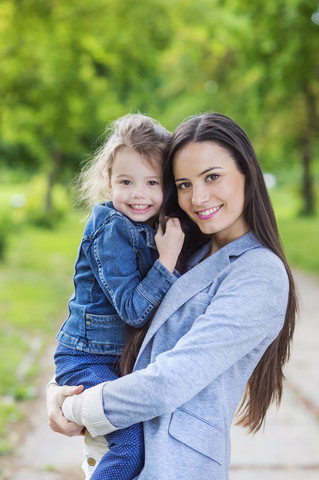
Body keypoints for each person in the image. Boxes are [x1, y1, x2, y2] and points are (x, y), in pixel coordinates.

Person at [47, 112, 297, 480]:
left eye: (213, 176)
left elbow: (168, 381)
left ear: (248, 173)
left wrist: (73, 408)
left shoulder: (259, 273)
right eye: (183, 184)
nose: (198, 197)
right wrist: (57, 391)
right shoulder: (186, 248)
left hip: (175, 465)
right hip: (124, 455)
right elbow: (120, 330)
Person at [53, 113, 185, 480]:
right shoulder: (112, 229)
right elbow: (133, 310)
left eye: (152, 182)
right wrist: (167, 261)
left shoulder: (149, 226)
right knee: (128, 449)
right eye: (126, 181)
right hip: (87, 360)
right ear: (109, 183)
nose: (139, 193)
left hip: (116, 361)